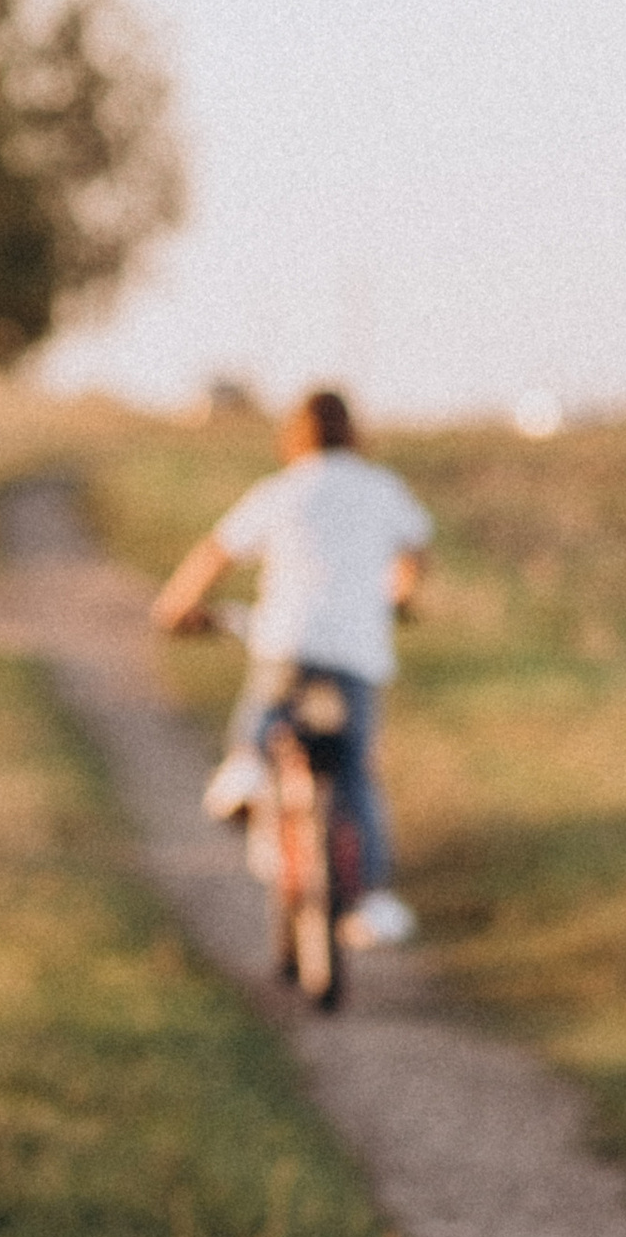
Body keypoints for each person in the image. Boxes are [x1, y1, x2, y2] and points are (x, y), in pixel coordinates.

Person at [152, 389, 432, 947]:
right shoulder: (382, 488)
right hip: (357, 652)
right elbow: (416, 554)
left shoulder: (283, 489)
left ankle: (248, 769)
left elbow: (216, 552)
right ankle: (369, 899)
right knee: (354, 769)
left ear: (294, 436)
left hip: (290, 638)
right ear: (354, 433)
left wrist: (175, 606)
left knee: (265, 711)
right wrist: (399, 597)